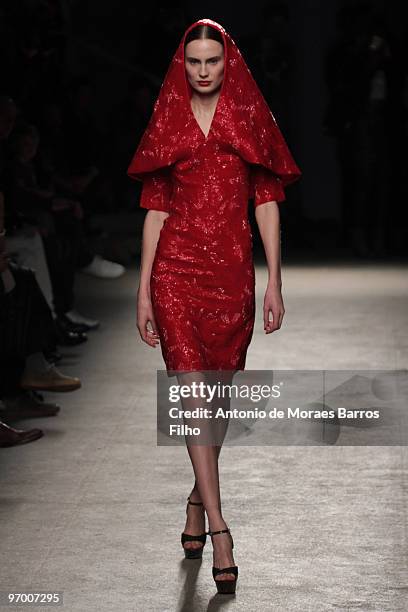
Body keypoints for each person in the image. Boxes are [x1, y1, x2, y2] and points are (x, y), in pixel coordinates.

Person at [128, 19, 301, 594]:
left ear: (229, 65)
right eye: (195, 63)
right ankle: (222, 528)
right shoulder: (170, 116)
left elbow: (267, 199)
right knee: (190, 391)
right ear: (184, 64)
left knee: (219, 396)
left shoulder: (247, 117)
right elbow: (155, 206)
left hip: (231, 276)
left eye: (213, 63)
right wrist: (144, 287)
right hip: (176, 273)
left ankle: (197, 500)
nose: (203, 72)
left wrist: (274, 280)